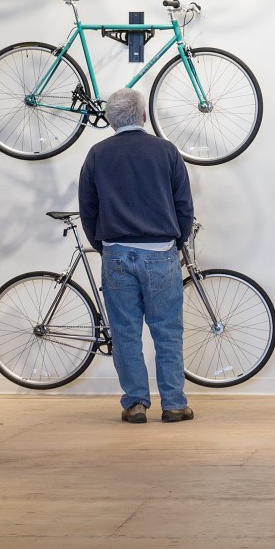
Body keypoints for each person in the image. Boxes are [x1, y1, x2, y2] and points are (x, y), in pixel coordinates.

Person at [78, 87, 195, 423]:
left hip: (116, 253)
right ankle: (173, 404)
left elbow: (88, 208)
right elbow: (183, 205)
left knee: (125, 330)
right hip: (160, 252)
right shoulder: (166, 151)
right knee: (167, 330)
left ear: (111, 120)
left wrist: (104, 246)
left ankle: (135, 404)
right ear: (143, 116)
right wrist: (178, 241)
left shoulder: (97, 154)